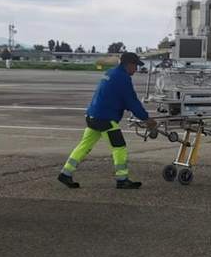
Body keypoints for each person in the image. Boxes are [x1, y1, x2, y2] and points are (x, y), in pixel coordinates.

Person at [58, 52, 156, 189]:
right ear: (129, 65)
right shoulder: (122, 78)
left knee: (84, 145)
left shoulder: (112, 73)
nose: (137, 69)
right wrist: (146, 118)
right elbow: (131, 101)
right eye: (136, 65)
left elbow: (117, 97)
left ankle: (66, 173)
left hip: (93, 116)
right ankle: (122, 179)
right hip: (105, 118)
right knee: (119, 146)